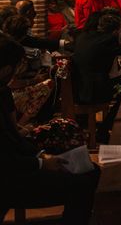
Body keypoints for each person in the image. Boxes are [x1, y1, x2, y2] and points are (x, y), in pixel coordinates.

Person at [0, 35, 101, 224]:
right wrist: (40, 163)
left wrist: (40, 154)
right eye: (17, 66)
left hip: (16, 164)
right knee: (83, 183)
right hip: (8, 179)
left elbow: (12, 138)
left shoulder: (3, 91)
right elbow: (5, 155)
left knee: (89, 170)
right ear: (6, 69)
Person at [72, 13, 121, 105]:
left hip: (79, 88)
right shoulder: (108, 40)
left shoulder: (84, 37)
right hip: (94, 91)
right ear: (116, 31)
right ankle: (118, 116)